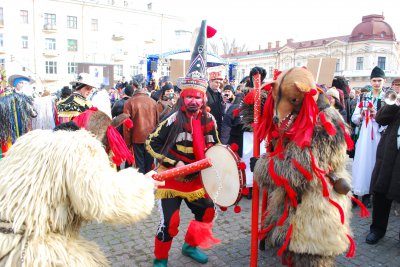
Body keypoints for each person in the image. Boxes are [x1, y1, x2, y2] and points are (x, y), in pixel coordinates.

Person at [0, 123, 161, 266]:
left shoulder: (28, 143)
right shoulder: (78, 147)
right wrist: (143, 184)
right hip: (33, 252)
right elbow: (105, 199)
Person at [251, 67, 355, 265]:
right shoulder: (299, 113)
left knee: (311, 258)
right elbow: (268, 127)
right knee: (290, 254)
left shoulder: (325, 122)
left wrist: (262, 166)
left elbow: (301, 170)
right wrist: (254, 99)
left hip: (315, 206)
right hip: (292, 204)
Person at [146, 20, 220, 267]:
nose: (192, 101)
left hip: (197, 178)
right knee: (171, 222)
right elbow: (151, 143)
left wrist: (223, 165)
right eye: (188, 96)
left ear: (203, 98)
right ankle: (160, 259)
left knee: (207, 212)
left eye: (197, 97)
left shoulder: (209, 120)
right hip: (172, 178)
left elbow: (216, 148)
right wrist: (172, 161)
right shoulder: (171, 119)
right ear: (181, 96)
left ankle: (190, 246)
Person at [366, 78, 400, 245]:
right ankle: (377, 230)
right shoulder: (395, 103)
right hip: (389, 153)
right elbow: (380, 118)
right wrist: (395, 103)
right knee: (381, 191)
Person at [351, 66, 386, 208]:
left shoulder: (386, 99)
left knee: (373, 164)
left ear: (384, 81)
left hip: (378, 136)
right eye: (374, 80)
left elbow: (388, 122)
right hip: (364, 135)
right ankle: (356, 192)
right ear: (370, 82)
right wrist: (362, 116)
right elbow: (354, 118)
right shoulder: (363, 97)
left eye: (379, 80)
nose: (376, 83)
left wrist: (376, 115)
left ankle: (368, 194)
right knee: (360, 163)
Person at [123, 83, 159, 174]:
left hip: (136, 139)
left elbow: (127, 126)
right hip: (151, 139)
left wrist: (127, 143)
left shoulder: (129, 102)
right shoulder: (153, 102)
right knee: (149, 166)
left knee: (139, 167)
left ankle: (142, 186)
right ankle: (149, 185)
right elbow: (157, 123)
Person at [0, 74, 37, 158]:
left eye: (23, 83)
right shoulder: (7, 96)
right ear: (16, 84)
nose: (22, 85)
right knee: (12, 142)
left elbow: (33, 113)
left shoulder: (26, 97)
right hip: (11, 125)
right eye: (20, 82)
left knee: (23, 140)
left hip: (23, 124)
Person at [220, 84, 244, 156]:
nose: (227, 93)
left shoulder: (237, 103)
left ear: (233, 92)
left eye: (228, 91)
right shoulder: (225, 101)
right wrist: (223, 103)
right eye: (225, 91)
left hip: (234, 135)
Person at [206, 67, 224, 135]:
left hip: (218, 123)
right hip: (208, 123)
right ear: (210, 81)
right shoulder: (205, 93)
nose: (218, 84)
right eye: (216, 82)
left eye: (219, 83)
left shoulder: (219, 94)